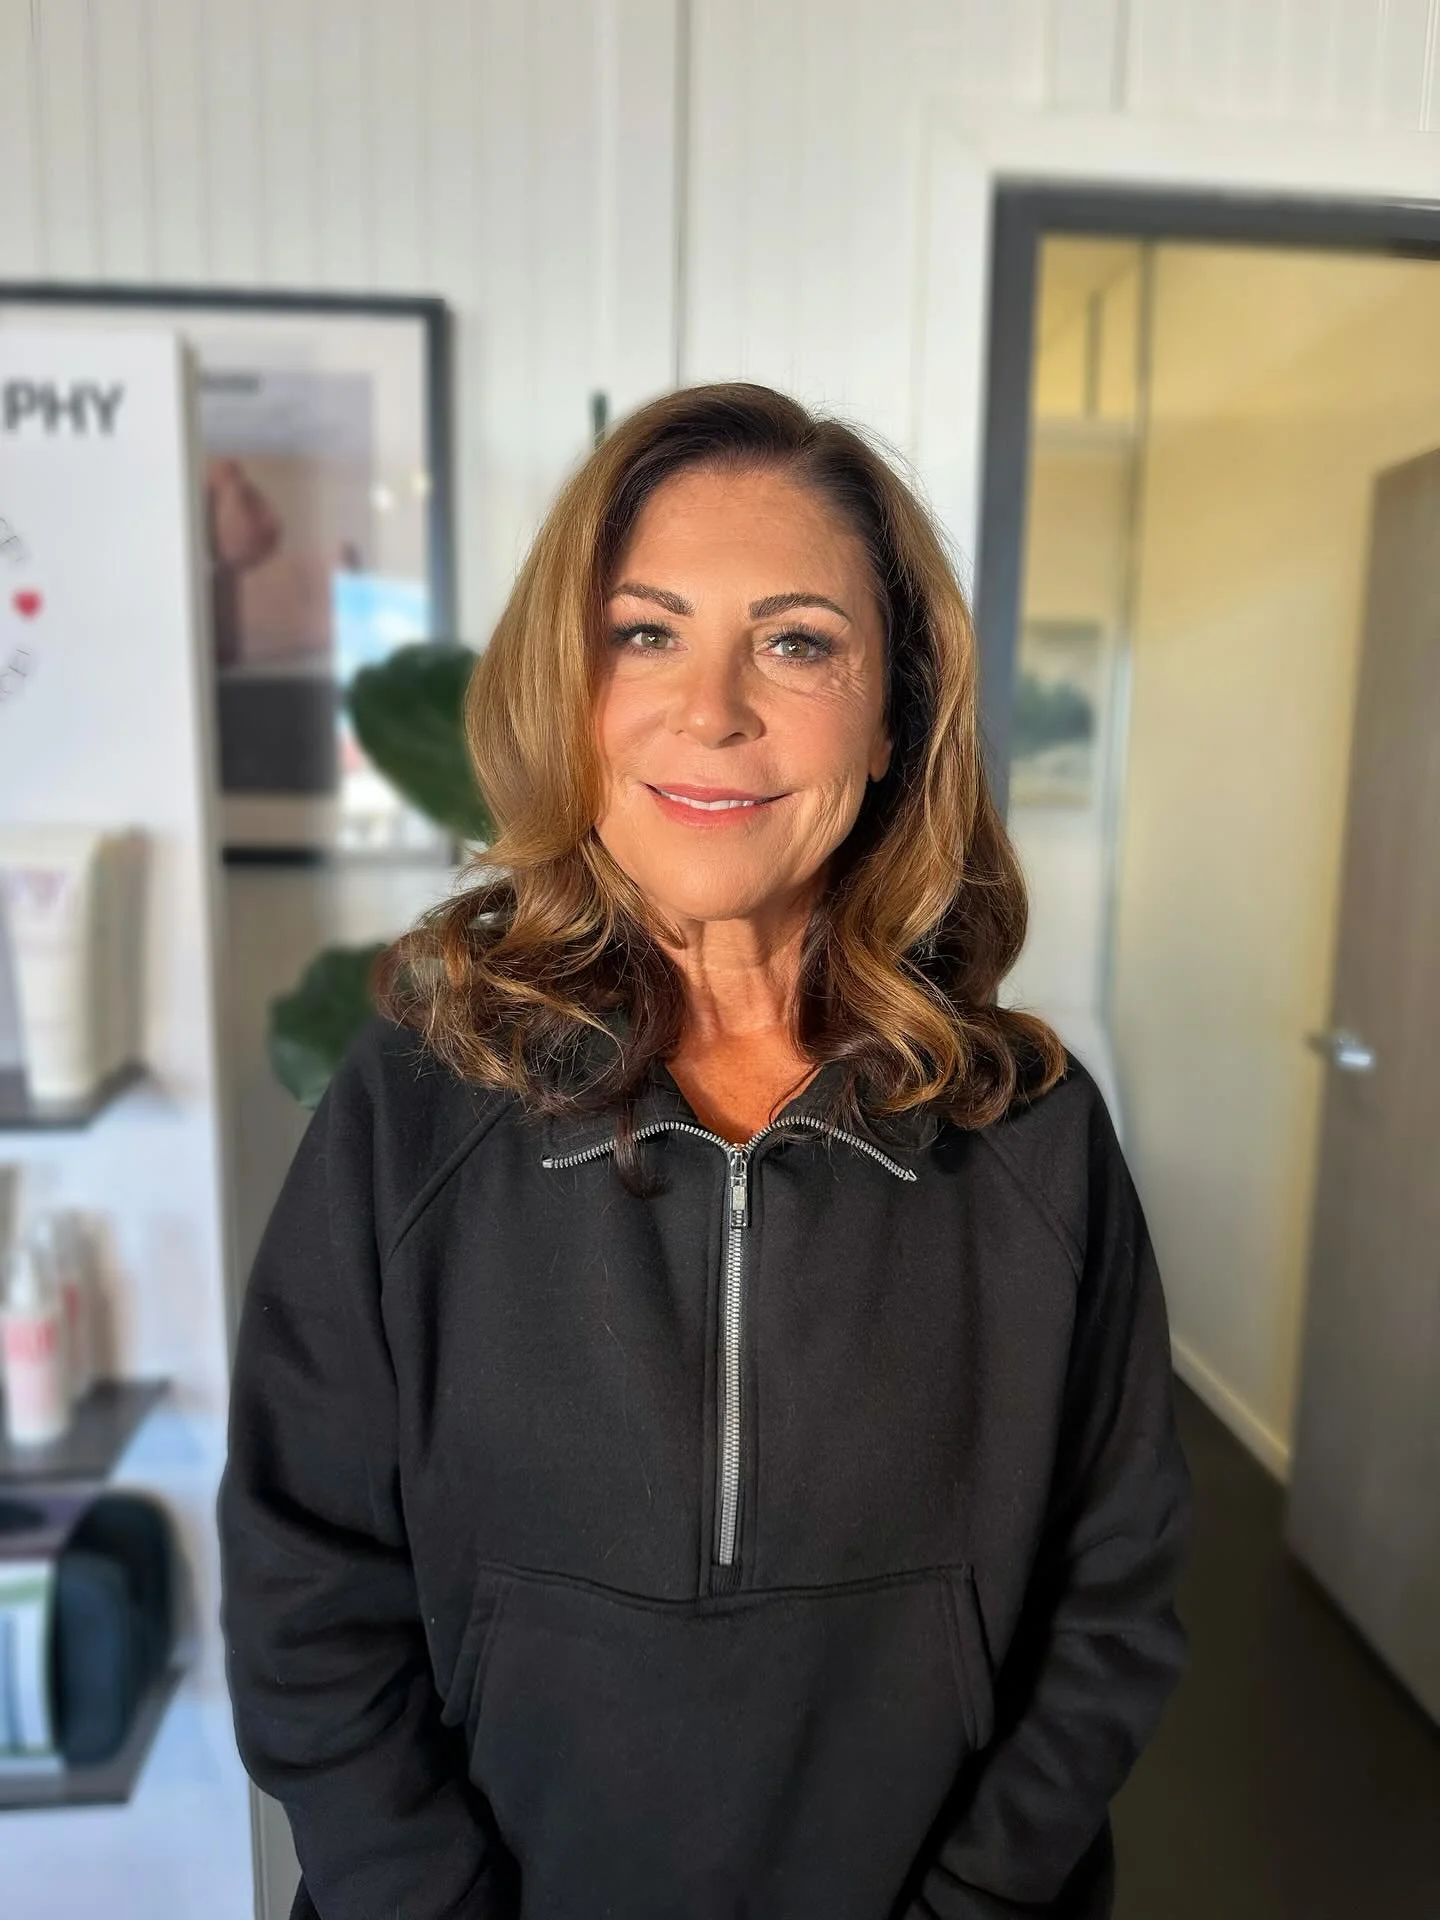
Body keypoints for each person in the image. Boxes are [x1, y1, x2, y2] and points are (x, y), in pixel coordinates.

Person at [217, 382, 1194, 1920]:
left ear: (893, 718)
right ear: (569, 690)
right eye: (644, 632)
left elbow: (1114, 1608)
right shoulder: (412, 1102)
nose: (713, 708)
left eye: (797, 643)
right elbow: (306, 1602)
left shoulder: (1033, 1133)